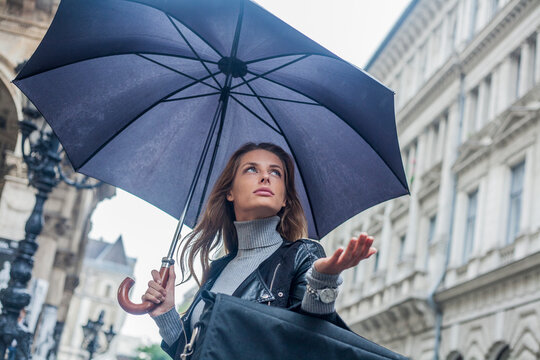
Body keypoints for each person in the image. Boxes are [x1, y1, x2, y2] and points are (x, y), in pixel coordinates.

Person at [142, 142, 376, 358]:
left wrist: (322, 281)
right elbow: (193, 353)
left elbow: (307, 339)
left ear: (285, 199)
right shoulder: (217, 269)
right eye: (251, 169)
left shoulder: (302, 255)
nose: (265, 176)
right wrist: (166, 314)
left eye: (276, 173)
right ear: (229, 192)